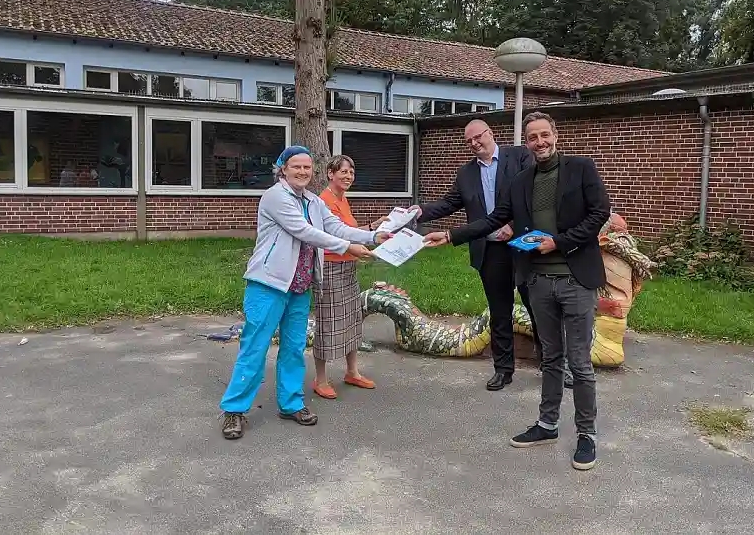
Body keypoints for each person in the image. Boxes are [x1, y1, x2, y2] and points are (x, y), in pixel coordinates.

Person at [423, 111, 611, 471]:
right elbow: (495, 219)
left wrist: (558, 242)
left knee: (580, 363)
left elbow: (598, 212)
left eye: (544, 135)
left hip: (575, 279)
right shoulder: (522, 180)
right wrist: (449, 235)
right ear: (525, 143)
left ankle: (586, 434)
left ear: (555, 134)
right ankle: (548, 424)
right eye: (532, 137)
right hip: (538, 280)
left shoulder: (580, 168)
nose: (539, 142)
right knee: (551, 359)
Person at [219, 145, 391, 440]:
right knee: (255, 348)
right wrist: (348, 248)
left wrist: (373, 236)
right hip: (269, 284)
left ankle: (291, 403)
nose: (302, 172)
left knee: (294, 347)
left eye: (307, 167)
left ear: (313, 172)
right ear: (283, 169)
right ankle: (234, 410)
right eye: (296, 166)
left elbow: (337, 227)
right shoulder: (275, 197)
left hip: (300, 286)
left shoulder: (312, 201)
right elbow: (304, 231)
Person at [411, 119, 540, 391]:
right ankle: (503, 370)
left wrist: (513, 225)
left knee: (538, 307)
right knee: (499, 311)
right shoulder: (466, 173)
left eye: (477, 137)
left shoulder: (519, 158)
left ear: (490, 133)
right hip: (490, 249)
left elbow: (533, 196)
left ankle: (553, 365)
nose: (474, 144)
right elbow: (449, 203)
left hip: (524, 245)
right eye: (468, 141)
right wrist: (420, 211)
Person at [312, 154, 391, 399]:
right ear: (330, 174)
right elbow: (335, 235)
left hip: (348, 268)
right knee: (328, 324)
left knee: (352, 320)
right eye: (343, 172)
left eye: (351, 172)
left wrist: (373, 226)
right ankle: (321, 379)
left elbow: (348, 231)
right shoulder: (323, 201)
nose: (348, 176)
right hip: (330, 269)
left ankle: (352, 372)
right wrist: (364, 240)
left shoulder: (342, 199)